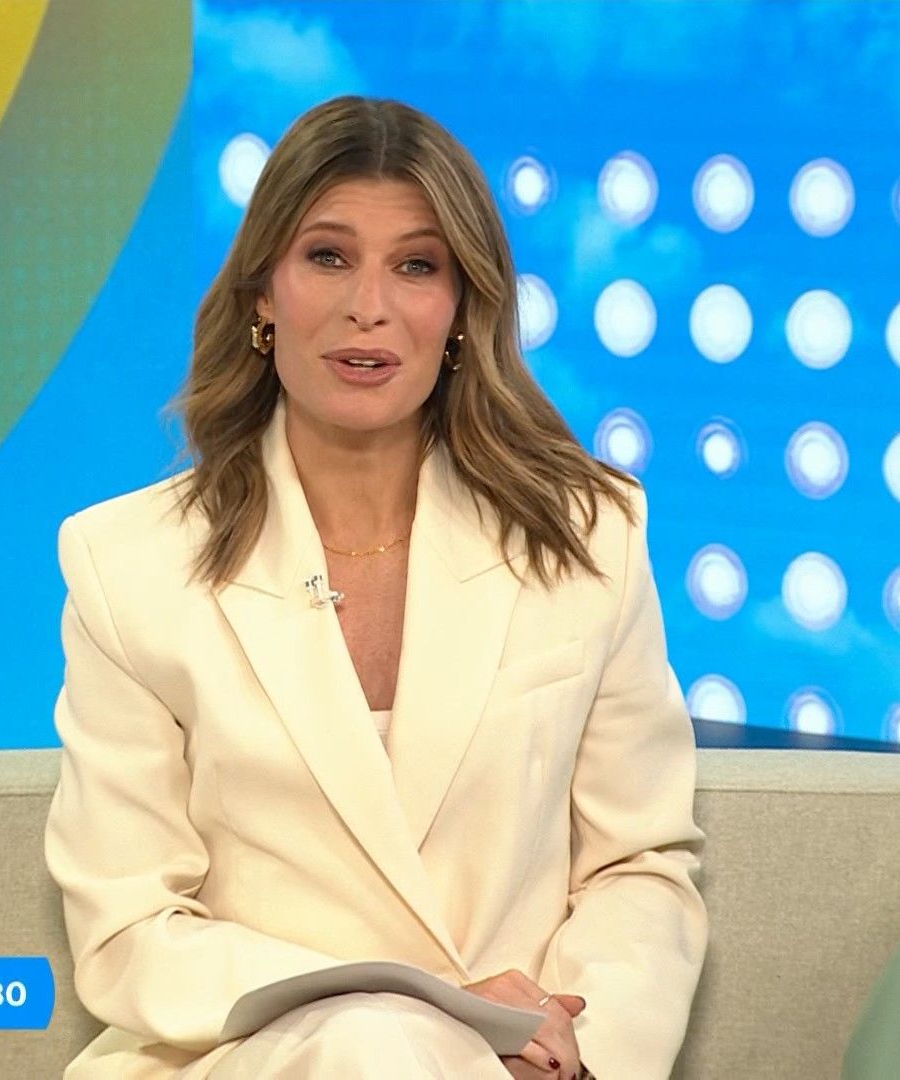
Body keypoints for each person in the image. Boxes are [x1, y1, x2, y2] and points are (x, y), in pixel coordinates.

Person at [43, 95, 708, 1079]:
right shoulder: (127, 564)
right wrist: (428, 1007)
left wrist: (570, 1045)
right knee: (375, 1045)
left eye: (416, 266)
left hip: (525, 1068)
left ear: (462, 309)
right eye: (328, 257)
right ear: (262, 294)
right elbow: (130, 930)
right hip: (243, 1057)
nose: (369, 306)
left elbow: (638, 864)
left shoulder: (588, 536)